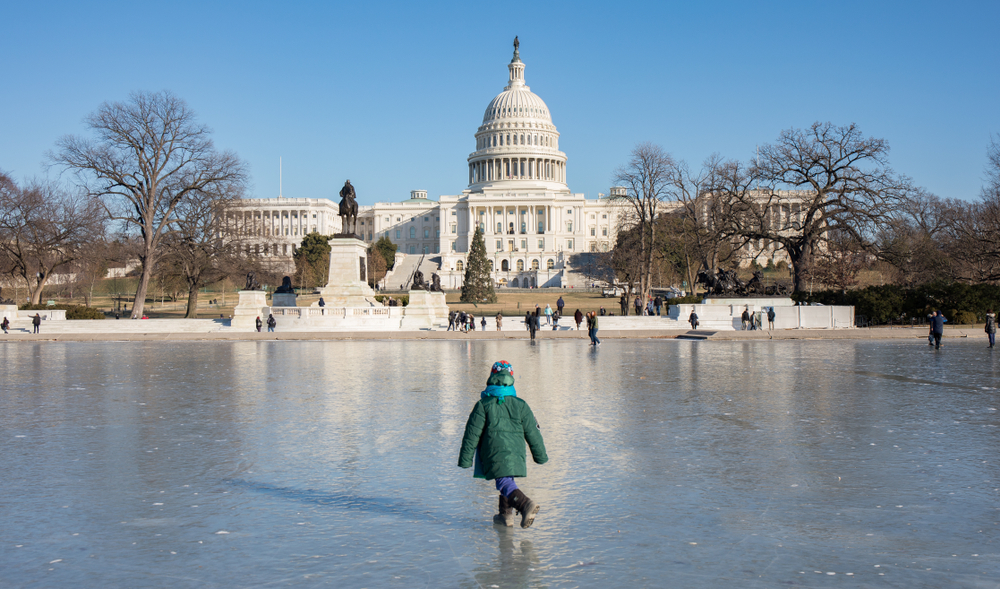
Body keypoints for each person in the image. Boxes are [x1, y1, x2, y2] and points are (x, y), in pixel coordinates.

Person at [458, 361, 547, 528]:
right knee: (507, 478)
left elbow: (471, 434)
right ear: (511, 379)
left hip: (493, 452)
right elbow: (533, 432)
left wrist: (465, 459)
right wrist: (540, 455)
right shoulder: (521, 405)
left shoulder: (483, 405)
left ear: (491, 377)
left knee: (503, 481)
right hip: (516, 452)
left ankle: (524, 504)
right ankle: (505, 515)